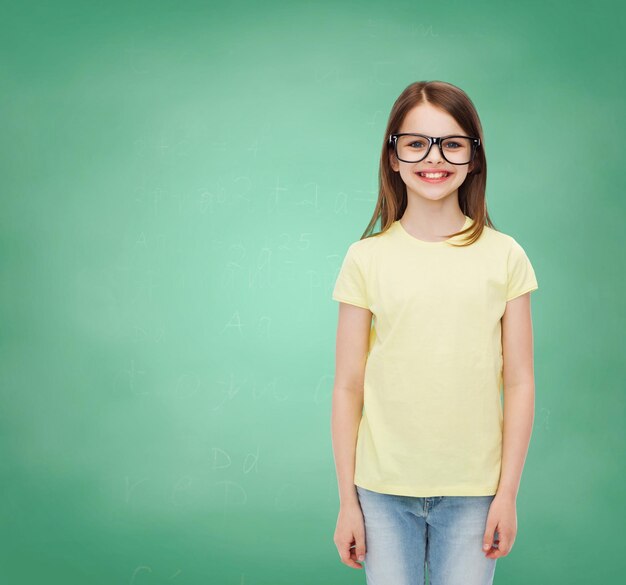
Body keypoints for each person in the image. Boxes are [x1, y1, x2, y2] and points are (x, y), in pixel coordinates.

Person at [330, 80, 539, 585]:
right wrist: (347, 503)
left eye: (452, 143)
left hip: (475, 493)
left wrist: (507, 493)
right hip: (380, 491)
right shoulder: (366, 258)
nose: (434, 157)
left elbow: (520, 382)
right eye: (416, 142)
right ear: (394, 156)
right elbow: (348, 386)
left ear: (473, 156)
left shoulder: (504, 255)